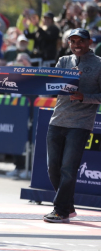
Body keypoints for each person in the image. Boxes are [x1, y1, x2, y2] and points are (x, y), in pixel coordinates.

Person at [43, 28, 101, 223]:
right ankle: (68, 206)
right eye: (72, 41)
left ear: (90, 42)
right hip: (57, 120)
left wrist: (85, 97)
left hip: (80, 124)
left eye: (81, 41)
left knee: (68, 168)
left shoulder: (99, 64)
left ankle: (60, 210)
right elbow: (54, 85)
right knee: (53, 168)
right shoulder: (63, 61)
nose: (77, 45)